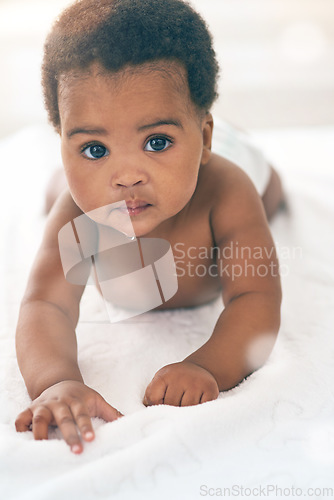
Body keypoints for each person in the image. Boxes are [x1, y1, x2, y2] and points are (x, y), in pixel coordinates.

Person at [15, 0, 283, 454]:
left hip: (226, 162)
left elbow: (255, 297)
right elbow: (46, 304)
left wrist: (206, 366)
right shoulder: (80, 215)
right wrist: (55, 381)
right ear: (60, 140)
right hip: (113, 179)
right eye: (94, 148)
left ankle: (216, 140)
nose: (127, 175)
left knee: (270, 191)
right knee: (63, 194)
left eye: (156, 142)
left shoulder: (226, 192)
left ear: (203, 139)